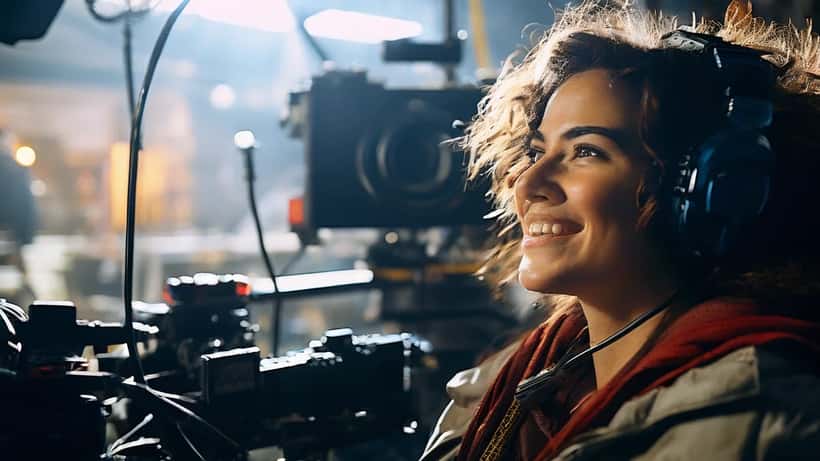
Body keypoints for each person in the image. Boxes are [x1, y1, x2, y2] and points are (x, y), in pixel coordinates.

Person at [421, 1, 820, 460]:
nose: (528, 184)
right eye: (535, 153)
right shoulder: (515, 387)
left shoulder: (753, 419)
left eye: (586, 151)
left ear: (711, 191)